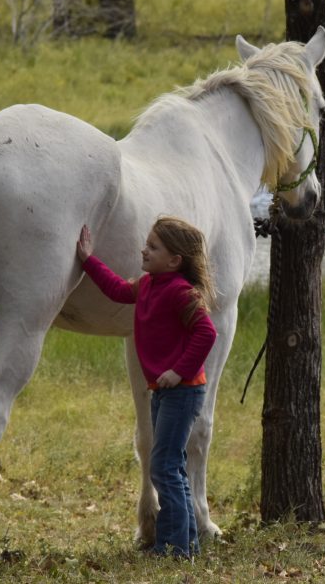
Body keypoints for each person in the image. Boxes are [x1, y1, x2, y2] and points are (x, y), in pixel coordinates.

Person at [77, 216, 217, 559]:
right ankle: (187, 542)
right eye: (147, 243)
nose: (144, 249)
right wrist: (88, 259)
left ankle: (173, 547)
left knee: (164, 467)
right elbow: (116, 290)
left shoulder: (181, 292)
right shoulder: (148, 284)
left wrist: (178, 371)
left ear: (175, 261)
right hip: (165, 390)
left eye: (153, 246)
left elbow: (207, 333)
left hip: (182, 391)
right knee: (170, 465)